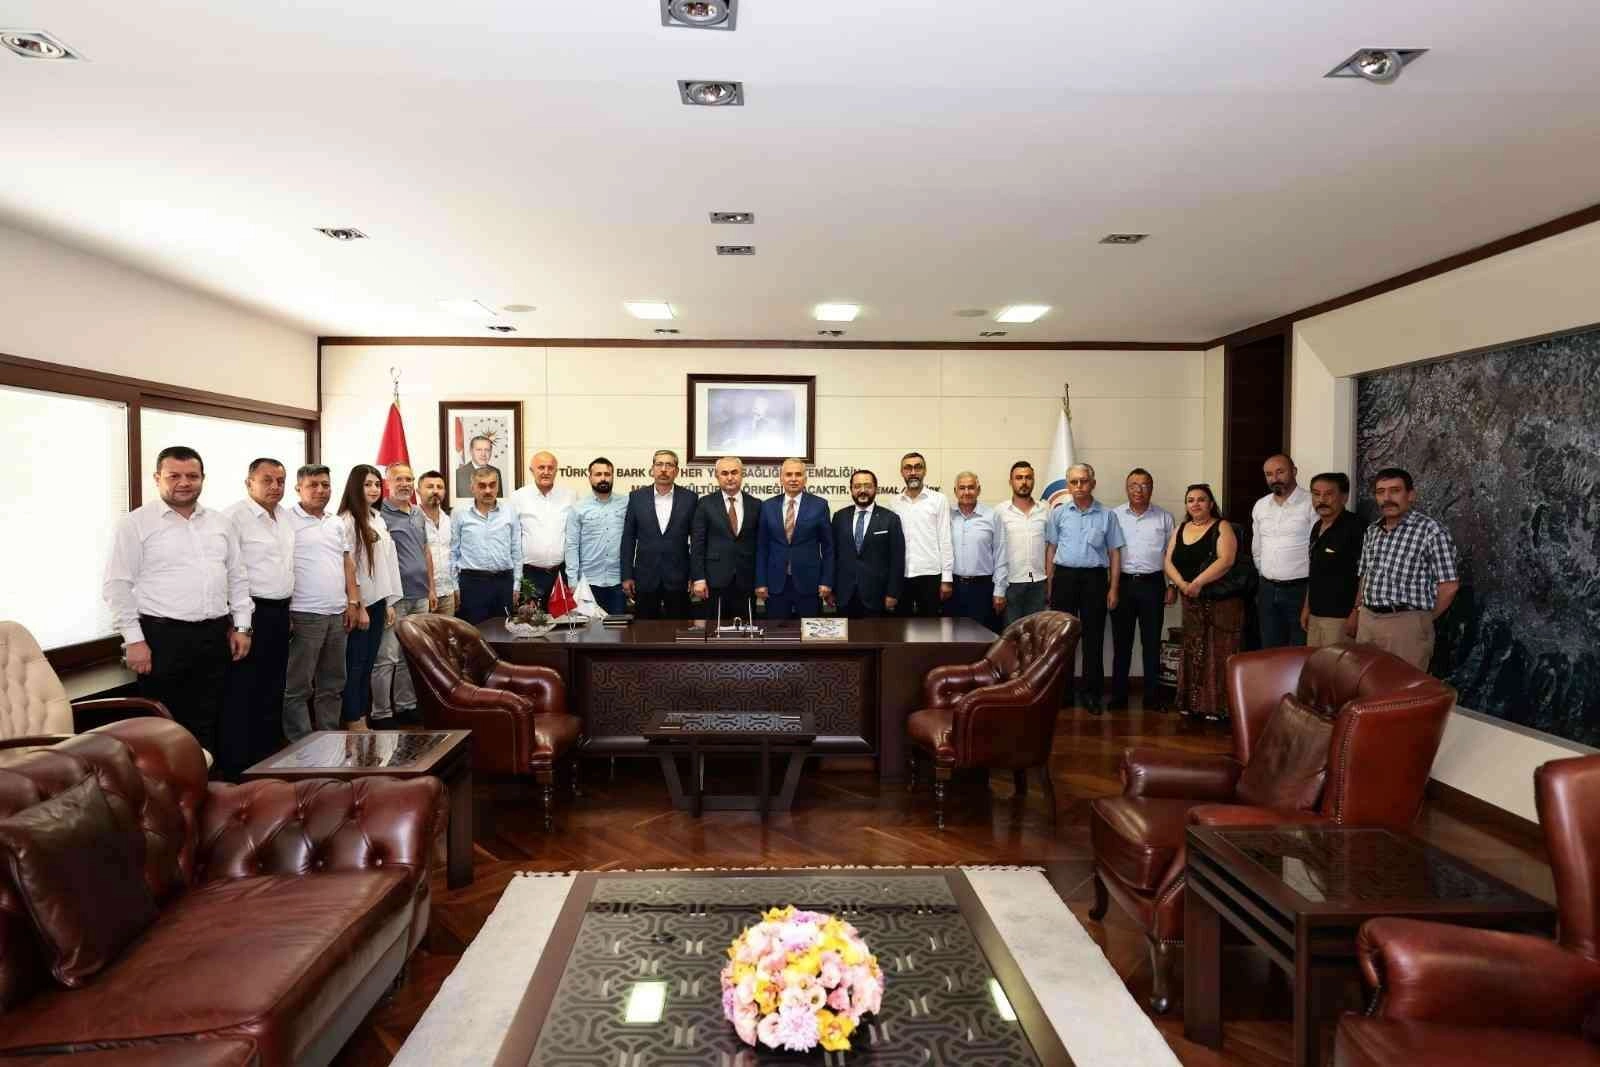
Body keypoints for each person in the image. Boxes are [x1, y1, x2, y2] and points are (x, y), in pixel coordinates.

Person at [103, 445, 251, 765]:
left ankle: (207, 785)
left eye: (192, 476)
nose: (184, 482)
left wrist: (242, 626)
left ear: (203, 479)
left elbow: (237, 577)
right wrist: (134, 640)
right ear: (157, 478)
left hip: (215, 635)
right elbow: (117, 585)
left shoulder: (220, 523)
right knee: (164, 726)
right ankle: (171, 791)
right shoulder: (135, 524)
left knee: (212, 717)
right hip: (162, 638)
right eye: (174, 476)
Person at [222, 457, 296, 775]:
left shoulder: (285, 517)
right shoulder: (233, 518)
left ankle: (269, 757)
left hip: (279, 611)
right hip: (249, 613)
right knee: (244, 688)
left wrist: (288, 610)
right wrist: (237, 624)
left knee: (274, 685)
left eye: (280, 481)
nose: (275, 487)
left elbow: (286, 568)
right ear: (248, 483)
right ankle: (241, 764)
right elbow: (228, 573)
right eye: (267, 480)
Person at [283, 464, 360, 741]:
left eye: (325, 485)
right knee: (298, 686)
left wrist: (353, 602)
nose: (320, 490)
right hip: (304, 613)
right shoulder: (285, 520)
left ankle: (328, 739)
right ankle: (301, 743)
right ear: (298, 489)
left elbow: (347, 562)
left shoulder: (335, 522)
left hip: (337, 613)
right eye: (312, 485)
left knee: (333, 684)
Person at [1355, 467, 1460, 671]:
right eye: (1380, 492)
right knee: (1365, 681)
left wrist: (1422, 619)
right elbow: (1365, 574)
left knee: (1401, 685)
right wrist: (1358, 609)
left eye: (1395, 491)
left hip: (1405, 624)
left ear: (1411, 495)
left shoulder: (1431, 531)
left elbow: (1449, 587)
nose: (1387, 498)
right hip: (1367, 620)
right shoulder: (1372, 531)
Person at [1044, 463, 1124, 712]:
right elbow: (1051, 550)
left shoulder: (1107, 515)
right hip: (1064, 578)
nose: (1079, 486)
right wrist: (1050, 584)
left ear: (1093, 483)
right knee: (1062, 639)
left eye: (1084, 481)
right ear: (1068, 485)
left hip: (1094, 580)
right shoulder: (1058, 513)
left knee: (1093, 638)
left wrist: (1113, 588)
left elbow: (1114, 553)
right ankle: (1063, 693)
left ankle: (1091, 694)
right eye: (1074, 482)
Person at [1164, 484, 1244, 721]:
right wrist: (1182, 584)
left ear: (1211, 504)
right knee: (1193, 650)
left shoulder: (1222, 526)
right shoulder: (1180, 529)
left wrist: (1197, 582)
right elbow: (1167, 561)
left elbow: (1226, 560)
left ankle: (1217, 707)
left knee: (1217, 652)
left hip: (1220, 603)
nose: (1195, 504)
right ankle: (1191, 704)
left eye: (1201, 499)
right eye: (1190, 500)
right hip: (1191, 600)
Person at [372, 463, 435, 727]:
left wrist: (431, 588)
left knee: (411, 655)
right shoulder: (379, 514)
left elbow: (425, 550)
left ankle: (406, 706)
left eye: (409, 479)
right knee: (387, 656)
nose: (405, 484)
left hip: (420, 595)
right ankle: (381, 713)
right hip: (394, 597)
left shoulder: (418, 513)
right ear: (387, 483)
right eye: (399, 479)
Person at [339, 466, 401, 729]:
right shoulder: (347, 521)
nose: (374, 489)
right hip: (360, 604)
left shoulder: (377, 517)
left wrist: (388, 602)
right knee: (355, 664)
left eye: (377, 484)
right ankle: (353, 719)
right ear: (355, 487)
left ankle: (362, 717)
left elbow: (387, 563)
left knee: (368, 664)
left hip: (378, 601)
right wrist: (360, 605)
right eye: (367, 484)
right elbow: (349, 567)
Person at [1110, 468, 1176, 711]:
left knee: (1151, 643)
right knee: (1122, 643)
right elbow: (1110, 553)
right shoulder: (1114, 515)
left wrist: (1171, 585)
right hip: (1123, 584)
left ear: (1152, 488)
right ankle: (1119, 695)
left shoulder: (1164, 518)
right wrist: (1112, 588)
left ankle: (1152, 696)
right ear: (1126, 488)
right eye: (1133, 485)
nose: (1138, 490)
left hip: (1153, 585)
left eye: (1144, 485)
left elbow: (1171, 555)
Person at [621, 449, 697, 618]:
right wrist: (627, 575)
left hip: (679, 578)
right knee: (644, 629)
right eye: (659, 464)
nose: (663, 469)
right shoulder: (636, 497)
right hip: (645, 578)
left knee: (679, 629)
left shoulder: (690, 499)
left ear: (676, 471)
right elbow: (628, 539)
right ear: (652, 469)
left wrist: (695, 575)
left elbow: (697, 541)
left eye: (669, 465)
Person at [755, 458, 834, 619]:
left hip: (810, 583)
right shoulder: (767, 506)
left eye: (798, 474)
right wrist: (760, 582)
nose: (793, 479)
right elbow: (762, 547)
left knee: (810, 631)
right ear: (781, 478)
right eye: (788, 474)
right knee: (775, 631)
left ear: (805, 479)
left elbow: (828, 548)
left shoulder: (819, 505)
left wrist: (827, 581)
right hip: (775, 584)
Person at [1252, 453, 1317, 648]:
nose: (1275, 478)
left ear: (1294, 471)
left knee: (1299, 649)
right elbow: (1257, 548)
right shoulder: (1261, 506)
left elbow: (1316, 549)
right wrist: (1266, 573)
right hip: (1267, 589)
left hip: (1300, 590)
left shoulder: (1311, 503)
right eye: (1269, 474)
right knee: (1269, 648)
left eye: (1280, 472)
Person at [690, 455, 761, 622]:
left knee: (745, 630)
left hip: (746, 581)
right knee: (714, 630)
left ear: (742, 474)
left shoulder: (756, 504)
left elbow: (760, 545)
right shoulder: (705, 504)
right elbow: (698, 544)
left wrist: (761, 581)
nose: (730, 477)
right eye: (724, 473)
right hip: (714, 581)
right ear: (717, 476)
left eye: (734, 472)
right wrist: (698, 578)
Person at [1300, 472, 1364, 648]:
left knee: (1338, 665)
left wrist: (1357, 612)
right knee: (1315, 663)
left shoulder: (1356, 527)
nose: (1321, 500)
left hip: (1341, 618)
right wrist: (1307, 607)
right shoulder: (1317, 526)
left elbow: (1366, 574)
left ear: (1344, 497)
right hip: (1315, 615)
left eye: (1329, 494)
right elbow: (1314, 570)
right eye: (1316, 494)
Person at [830, 470, 905, 618]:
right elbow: (833, 555)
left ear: (875, 488)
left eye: (867, 486)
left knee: (875, 633)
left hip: (877, 596)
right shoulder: (839, 517)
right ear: (851, 489)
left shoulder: (890, 519)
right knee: (845, 633)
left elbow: (897, 560)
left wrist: (893, 593)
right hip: (844, 595)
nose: (862, 490)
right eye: (857, 486)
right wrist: (831, 589)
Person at [451, 467, 521, 623]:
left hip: (504, 582)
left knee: (504, 631)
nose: (488, 490)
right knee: (473, 632)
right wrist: (455, 586)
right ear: (472, 488)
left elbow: (516, 550)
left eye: (492, 485)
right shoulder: (459, 512)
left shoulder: (510, 512)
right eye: (482, 486)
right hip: (472, 583)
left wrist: (516, 585)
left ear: (498, 487)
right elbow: (453, 552)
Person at [890, 451, 953, 617]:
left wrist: (947, 579)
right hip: (902, 575)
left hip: (930, 575)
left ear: (925, 471)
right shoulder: (894, 502)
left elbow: (945, 539)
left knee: (930, 626)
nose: (913, 472)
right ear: (902, 472)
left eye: (918, 467)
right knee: (901, 626)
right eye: (908, 468)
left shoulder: (939, 500)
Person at [511, 450, 575, 606]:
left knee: (561, 619)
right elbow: (513, 541)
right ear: (531, 470)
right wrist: (516, 582)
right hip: (529, 575)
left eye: (550, 468)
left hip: (560, 574)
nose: (546, 472)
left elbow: (574, 538)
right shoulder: (518, 497)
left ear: (556, 471)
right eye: (541, 467)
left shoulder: (570, 496)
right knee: (531, 619)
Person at [566, 457, 629, 615]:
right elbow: (571, 545)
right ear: (590, 477)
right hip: (588, 583)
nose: (603, 478)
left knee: (617, 628)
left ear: (613, 476)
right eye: (598, 474)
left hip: (618, 582)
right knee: (589, 629)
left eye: (607, 474)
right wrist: (572, 581)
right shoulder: (578, 508)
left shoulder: (626, 503)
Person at [947, 472, 1007, 629]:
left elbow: (1001, 555)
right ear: (955, 491)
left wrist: (999, 591)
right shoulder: (947, 516)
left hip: (983, 588)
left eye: (971, 487)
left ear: (979, 490)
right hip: (953, 588)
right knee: (953, 636)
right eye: (962, 488)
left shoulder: (992, 516)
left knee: (983, 636)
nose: (966, 492)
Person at [996, 461, 1049, 626]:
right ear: (1010, 481)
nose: (1024, 482)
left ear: (1033, 480)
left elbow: (1052, 548)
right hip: (1010, 583)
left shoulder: (1046, 510)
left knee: (1035, 634)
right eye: (1019, 478)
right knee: (1011, 634)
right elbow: (996, 550)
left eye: (1028, 478)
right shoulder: (1000, 511)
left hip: (1038, 583)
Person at [417, 470, 458, 617]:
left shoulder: (449, 520)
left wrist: (455, 588)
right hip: (421, 595)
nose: (435, 491)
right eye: (430, 486)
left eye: (439, 487)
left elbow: (453, 555)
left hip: (447, 593)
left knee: (447, 632)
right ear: (418, 491)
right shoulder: (411, 519)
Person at [454, 434, 504, 499]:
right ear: (471, 451)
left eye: (487, 450)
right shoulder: (458, 474)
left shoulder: (496, 471)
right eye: (479, 450)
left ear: (491, 451)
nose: (483, 454)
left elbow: (499, 501)